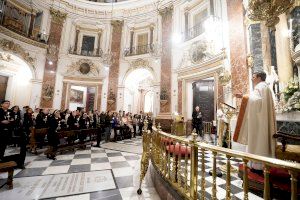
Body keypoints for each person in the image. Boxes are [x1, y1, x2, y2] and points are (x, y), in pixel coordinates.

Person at [233, 71, 276, 172]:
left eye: (253, 77)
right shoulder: (266, 87)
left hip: (259, 123)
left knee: (258, 140)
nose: (252, 79)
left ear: (259, 78)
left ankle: (258, 166)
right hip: (262, 119)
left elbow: (254, 101)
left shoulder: (260, 87)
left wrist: (243, 96)